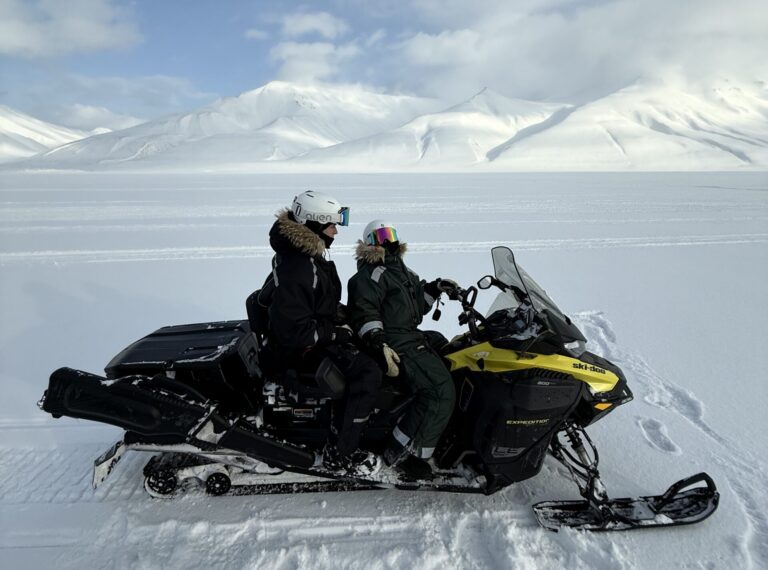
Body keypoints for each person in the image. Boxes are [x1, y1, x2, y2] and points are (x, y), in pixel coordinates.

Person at [262, 191, 382, 475]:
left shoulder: (305, 255)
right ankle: (340, 453)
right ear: (314, 225)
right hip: (297, 350)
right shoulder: (300, 266)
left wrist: (346, 316)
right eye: (331, 225)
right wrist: (335, 333)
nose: (336, 231)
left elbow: (315, 303)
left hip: (307, 336)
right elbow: (296, 331)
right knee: (368, 373)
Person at [347, 219, 459, 480]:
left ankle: (446, 426)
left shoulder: (401, 271)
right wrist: (377, 341)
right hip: (397, 340)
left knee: (450, 349)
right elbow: (364, 312)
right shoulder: (371, 274)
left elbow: (416, 305)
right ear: (370, 243)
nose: (388, 241)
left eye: (391, 234)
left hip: (411, 333)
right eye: (382, 236)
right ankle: (406, 452)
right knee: (440, 391)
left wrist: (433, 289)